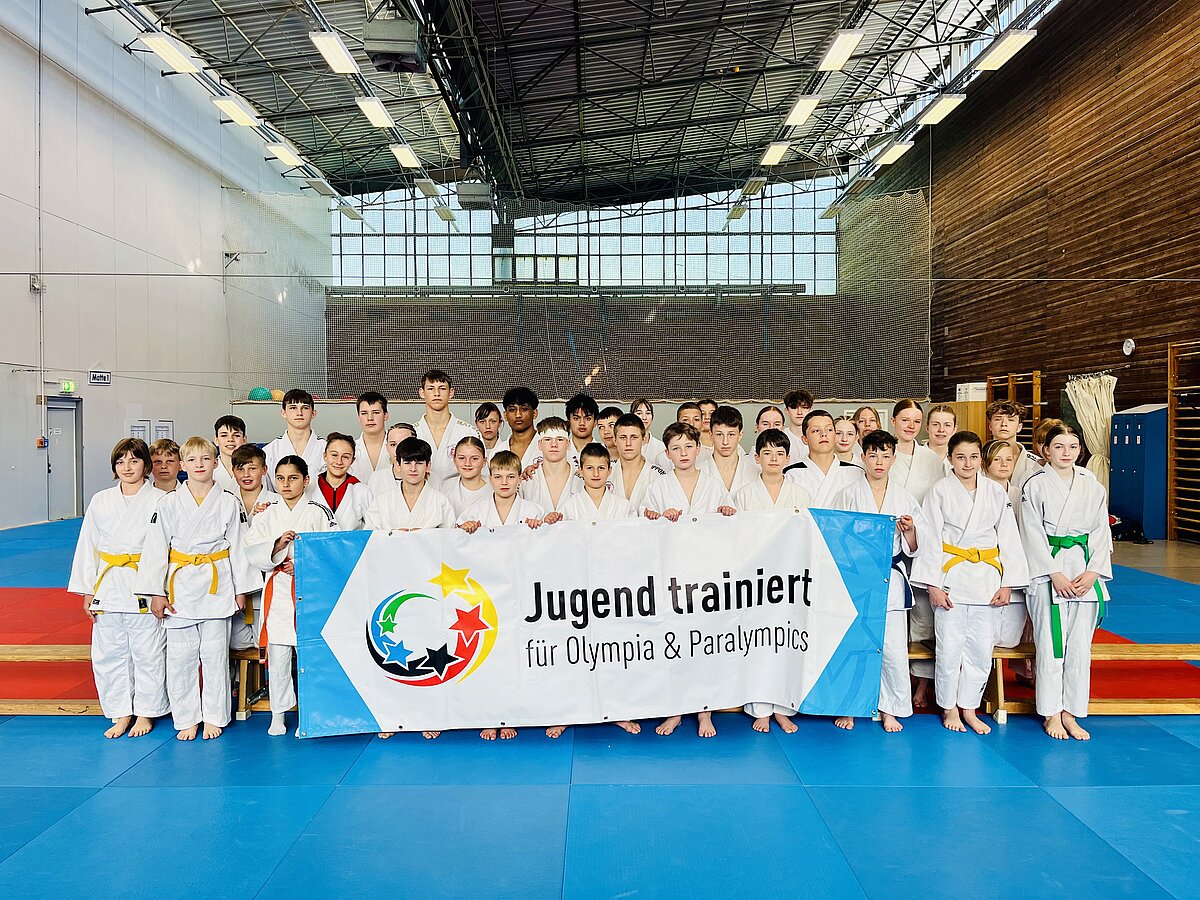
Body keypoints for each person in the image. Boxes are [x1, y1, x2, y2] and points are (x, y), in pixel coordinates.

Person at [137, 437, 260, 741]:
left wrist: (241, 589)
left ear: (216, 463)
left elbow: (238, 547)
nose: (199, 465)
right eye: (192, 460)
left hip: (217, 584)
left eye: (205, 459)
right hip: (179, 587)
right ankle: (187, 717)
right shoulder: (168, 503)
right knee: (181, 659)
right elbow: (155, 548)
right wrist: (156, 592)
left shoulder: (228, 501)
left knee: (215, 656)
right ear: (182, 465)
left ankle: (215, 716)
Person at [911, 431, 1029, 735]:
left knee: (980, 649)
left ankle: (970, 707)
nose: (967, 463)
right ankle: (949, 707)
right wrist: (932, 585)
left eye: (974, 457)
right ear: (950, 459)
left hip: (987, 578)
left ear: (981, 459)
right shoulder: (939, 491)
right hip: (951, 577)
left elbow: (1009, 538)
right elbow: (930, 538)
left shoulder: (995, 492)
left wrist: (1008, 583)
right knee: (949, 648)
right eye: (960, 457)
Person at [69, 438, 168, 739]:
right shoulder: (101, 500)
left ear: (146, 465)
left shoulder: (161, 499)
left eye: (134, 460)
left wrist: (160, 591)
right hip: (109, 585)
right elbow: (88, 546)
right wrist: (88, 590)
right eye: (121, 461)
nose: (127, 467)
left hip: (143, 583)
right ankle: (121, 712)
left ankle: (146, 711)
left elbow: (165, 548)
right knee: (109, 654)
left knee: (149, 652)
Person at [1020, 424, 1113, 741]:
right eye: (1058, 446)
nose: (1066, 453)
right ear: (1045, 450)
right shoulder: (1034, 485)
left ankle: (1072, 712)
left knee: (1080, 649)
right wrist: (1054, 573)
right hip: (1049, 573)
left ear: (1080, 451)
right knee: (1050, 645)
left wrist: (1093, 572)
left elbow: (1101, 532)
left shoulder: (1092, 485)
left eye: (1073, 447)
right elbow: (1030, 533)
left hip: (1084, 571)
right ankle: (1051, 713)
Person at [643, 422, 735, 740]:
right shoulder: (658, 488)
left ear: (698, 449)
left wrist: (727, 513)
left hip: (707, 577)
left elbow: (731, 529)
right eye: (676, 448)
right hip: (671, 576)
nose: (683, 453)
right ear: (667, 454)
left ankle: (704, 711)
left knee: (704, 643)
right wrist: (656, 519)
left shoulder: (713, 486)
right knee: (675, 643)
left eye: (688, 446)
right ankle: (675, 709)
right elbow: (642, 531)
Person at [833, 430, 923, 733]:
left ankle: (890, 709)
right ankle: (850, 707)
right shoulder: (848, 494)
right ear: (863, 458)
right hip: (859, 577)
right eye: (873, 455)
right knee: (856, 645)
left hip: (891, 577)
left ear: (894, 459)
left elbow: (915, 546)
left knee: (893, 649)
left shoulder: (904, 497)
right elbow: (837, 535)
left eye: (885, 456)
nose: (879, 462)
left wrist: (909, 530)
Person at [549, 443, 638, 739]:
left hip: (614, 589)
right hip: (579, 588)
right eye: (590, 468)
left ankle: (617, 711)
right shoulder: (569, 507)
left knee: (613, 651)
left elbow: (634, 546)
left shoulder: (623, 507)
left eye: (601, 468)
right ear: (580, 470)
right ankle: (569, 712)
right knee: (576, 652)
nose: (596, 473)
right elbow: (558, 548)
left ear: (610, 471)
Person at [457, 450, 546, 742]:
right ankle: (490, 715)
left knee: (519, 654)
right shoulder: (474, 513)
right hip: (487, 594)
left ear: (520, 478)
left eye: (510, 476)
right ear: (490, 478)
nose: (504, 482)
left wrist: (541, 530)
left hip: (523, 593)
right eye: (498, 476)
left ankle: (513, 713)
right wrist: (465, 531)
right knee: (489, 656)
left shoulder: (533, 511)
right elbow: (456, 549)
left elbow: (549, 550)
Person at [244, 456, 334, 736]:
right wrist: (277, 546)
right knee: (279, 655)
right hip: (278, 589)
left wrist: (302, 564)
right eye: (281, 478)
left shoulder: (320, 512)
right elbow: (251, 549)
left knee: (308, 655)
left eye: (293, 478)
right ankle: (278, 713)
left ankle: (310, 713)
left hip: (309, 590)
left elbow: (331, 549)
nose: (286, 484)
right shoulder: (266, 513)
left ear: (306, 481)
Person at [889, 400, 947, 706]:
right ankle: (896, 676)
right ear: (893, 421)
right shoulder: (883, 452)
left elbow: (938, 503)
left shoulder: (931, 459)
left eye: (915, 421)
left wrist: (917, 530)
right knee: (893, 620)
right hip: (891, 544)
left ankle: (922, 682)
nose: (910, 426)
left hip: (923, 540)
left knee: (924, 617)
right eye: (904, 420)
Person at [984, 440, 1033, 683]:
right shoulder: (978, 491)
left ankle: (1019, 672)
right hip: (983, 565)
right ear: (985, 464)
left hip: (1014, 566)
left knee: (1011, 636)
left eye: (1008, 460)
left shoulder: (1019, 495)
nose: (1003, 464)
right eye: (997, 460)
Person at [229, 444, 272, 651]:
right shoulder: (225, 500)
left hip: (264, 580)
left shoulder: (277, 502)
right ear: (233, 471)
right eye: (240, 469)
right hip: (232, 581)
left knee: (265, 641)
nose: (246, 475)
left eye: (252, 468)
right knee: (233, 642)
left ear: (264, 470)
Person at [364, 438, 456, 532]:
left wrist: (426, 535)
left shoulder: (441, 501)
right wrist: (394, 535)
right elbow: (369, 535)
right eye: (407, 463)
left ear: (428, 466)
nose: (413, 469)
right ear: (398, 465)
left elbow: (451, 537)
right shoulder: (382, 501)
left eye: (419, 463)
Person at [413, 370, 480, 490]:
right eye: (431, 388)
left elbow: (480, 475)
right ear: (422, 392)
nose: (437, 393)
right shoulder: (412, 433)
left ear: (451, 392)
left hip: (459, 495)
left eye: (442, 388)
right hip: (422, 495)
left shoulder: (468, 432)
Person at [784, 410, 865, 507]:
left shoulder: (856, 473)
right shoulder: (791, 474)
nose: (823, 434)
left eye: (829, 430)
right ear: (805, 439)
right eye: (816, 430)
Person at [734, 428, 812, 513]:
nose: (774, 458)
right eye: (767, 453)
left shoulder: (802, 495)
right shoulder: (744, 494)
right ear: (757, 457)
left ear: (787, 459)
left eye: (780, 454)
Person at [264, 389, 325, 497]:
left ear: (313, 413)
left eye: (305, 408)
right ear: (283, 413)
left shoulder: (326, 449)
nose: (299, 413)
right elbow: (267, 494)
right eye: (293, 408)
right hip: (281, 507)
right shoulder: (269, 451)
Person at [520, 418, 582, 519]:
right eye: (548, 439)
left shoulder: (581, 480)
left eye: (560, 439)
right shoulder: (527, 481)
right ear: (540, 444)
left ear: (568, 444)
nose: (554, 445)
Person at [609, 414, 666, 510]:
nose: (628, 443)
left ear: (643, 440)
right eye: (623, 437)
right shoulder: (604, 472)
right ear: (615, 440)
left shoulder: (658, 475)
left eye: (634, 437)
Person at [698, 405, 758, 495]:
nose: (725, 442)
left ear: (740, 435)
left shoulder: (755, 473)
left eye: (731, 434)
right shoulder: (698, 472)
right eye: (719, 434)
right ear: (711, 435)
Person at [318, 432, 370, 530]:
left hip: (354, 541)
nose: (339, 462)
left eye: (345, 457)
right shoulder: (310, 488)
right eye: (334, 455)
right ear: (325, 456)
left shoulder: (362, 491)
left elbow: (373, 527)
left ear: (352, 460)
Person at [986, 400, 1041, 487]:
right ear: (990, 426)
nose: (1004, 424)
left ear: (1019, 427)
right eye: (998, 419)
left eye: (1011, 420)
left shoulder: (1034, 464)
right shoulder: (978, 460)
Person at [493, 387, 542, 470]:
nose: (518, 415)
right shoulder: (497, 451)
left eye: (524, 409)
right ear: (505, 415)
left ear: (534, 413)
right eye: (512, 410)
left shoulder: (549, 446)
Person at [349, 391, 392, 483]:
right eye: (364, 413)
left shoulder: (399, 448)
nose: (370, 418)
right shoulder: (350, 450)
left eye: (375, 412)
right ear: (358, 417)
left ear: (385, 416)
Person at [443, 436, 491, 516]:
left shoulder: (494, 489)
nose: (467, 463)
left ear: (484, 461)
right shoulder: (445, 487)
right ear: (454, 460)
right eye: (462, 458)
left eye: (474, 459)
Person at [368, 423, 417, 499]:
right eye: (393, 445)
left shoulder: (432, 478)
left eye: (404, 444)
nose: (398, 450)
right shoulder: (376, 479)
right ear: (387, 447)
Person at [631, 398, 669, 468]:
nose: (644, 417)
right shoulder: (626, 444)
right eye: (639, 413)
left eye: (648, 413)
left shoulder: (661, 447)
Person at [213, 415, 247, 493]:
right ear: (216, 440)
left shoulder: (255, 469)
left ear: (244, 440)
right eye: (224, 435)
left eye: (236, 435)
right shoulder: (208, 469)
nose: (230, 439)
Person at [565, 393, 600, 466]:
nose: (582, 423)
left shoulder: (603, 451)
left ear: (595, 423)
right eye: (576, 418)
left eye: (588, 419)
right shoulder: (560, 450)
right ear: (569, 422)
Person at [783, 389, 815, 463]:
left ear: (811, 409)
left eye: (804, 407)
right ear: (786, 410)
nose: (799, 412)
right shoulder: (780, 436)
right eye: (794, 407)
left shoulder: (818, 436)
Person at [925, 404, 957, 470]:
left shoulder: (960, 458)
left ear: (954, 429)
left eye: (947, 425)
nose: (941, 430)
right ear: (927, 428)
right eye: (935, 424)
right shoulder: (915, 456)